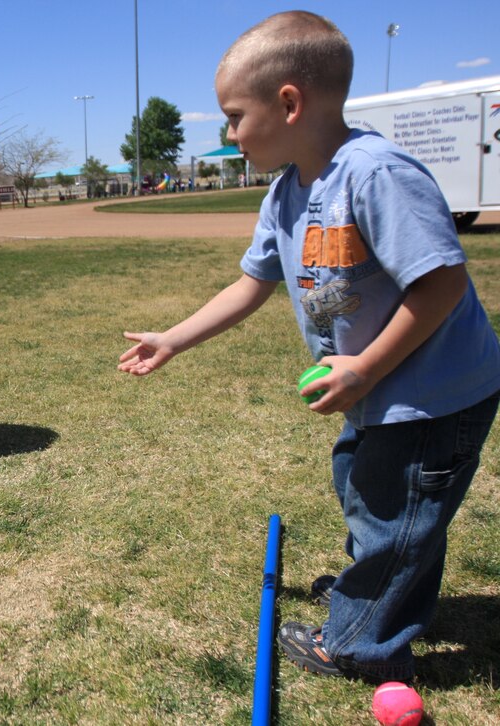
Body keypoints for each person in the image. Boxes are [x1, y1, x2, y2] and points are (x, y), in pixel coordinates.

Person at [118, 11, 500, 684]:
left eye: (235, 117)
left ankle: (359, 643)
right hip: (378, 391)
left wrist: (365, 365)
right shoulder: (286, 192)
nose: (231, 135)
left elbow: (441, 286)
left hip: (433, 394)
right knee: (365, 486)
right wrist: (172, 339)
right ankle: (387, 592)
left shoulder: (375, 173)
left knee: (395, 511)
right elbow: (250, 285)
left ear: (288, 102)